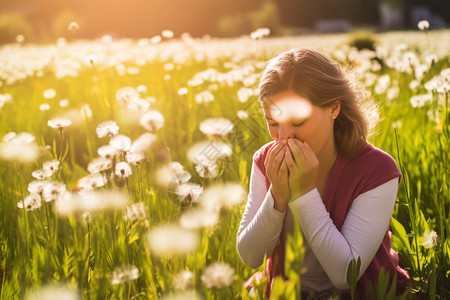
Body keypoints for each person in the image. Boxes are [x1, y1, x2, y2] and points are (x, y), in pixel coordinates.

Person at [236, 48, 410, 299]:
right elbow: (251, 256)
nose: (283, 137)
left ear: (333, 109)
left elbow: (345, 276)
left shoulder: (376, 170)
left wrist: (304, 192)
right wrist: (278, 194)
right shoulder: (265, 160)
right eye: (272, 123)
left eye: (297, 122)